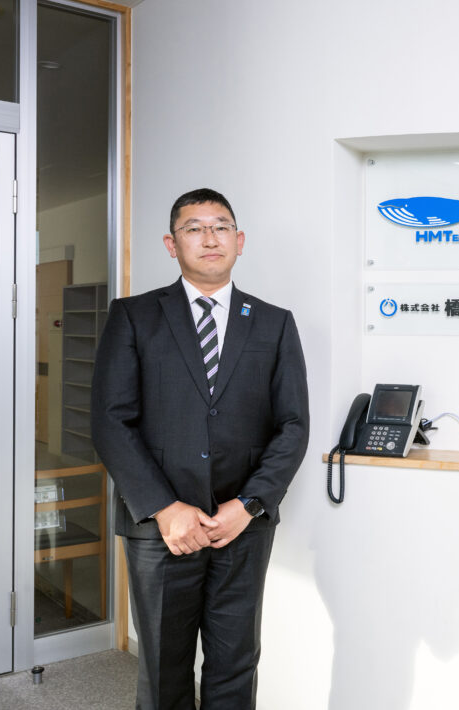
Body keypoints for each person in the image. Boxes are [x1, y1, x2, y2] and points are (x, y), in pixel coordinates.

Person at [91, 187, 309, 709]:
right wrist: (166, 509)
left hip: (242, 525)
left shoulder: (274, 322)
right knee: (164, 667)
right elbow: (111, 421)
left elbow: (293, 425)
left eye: (221, 227)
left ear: (239, 240)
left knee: (236, 661)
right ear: (172, 244)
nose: (210, 238)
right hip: (160, 528)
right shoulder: (134, 316)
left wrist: (249, 505)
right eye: (194, 228)